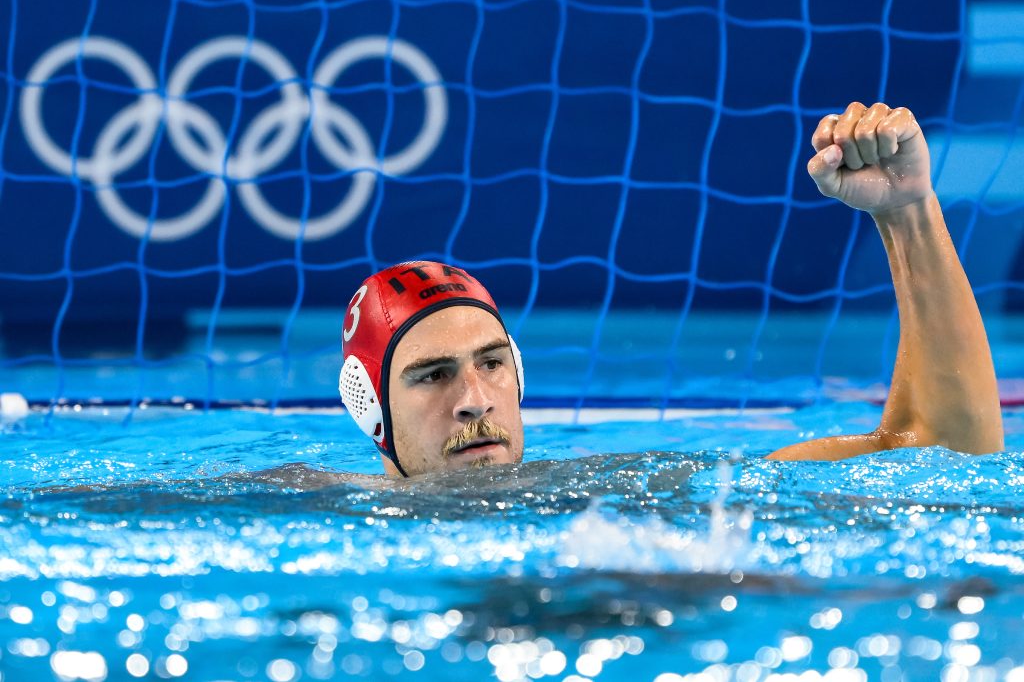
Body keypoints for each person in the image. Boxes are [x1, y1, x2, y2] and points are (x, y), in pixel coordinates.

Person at [339, 102, 1004, 477]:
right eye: (431, 375)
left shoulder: (624, 491)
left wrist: (908, 211)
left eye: (489, 363)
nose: (475, 401)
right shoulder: (302, 511)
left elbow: (946, 454)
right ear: (371, 409)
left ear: (518, 375)